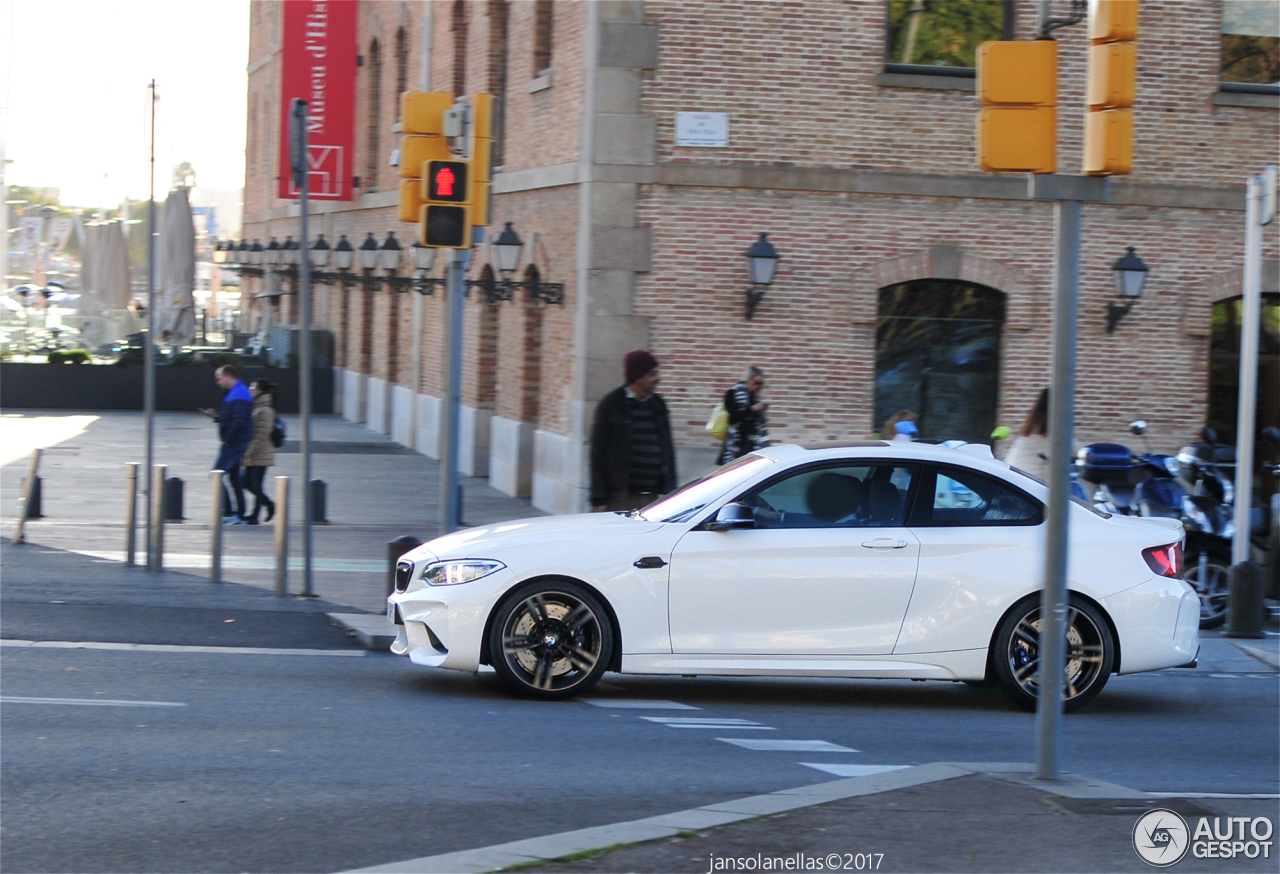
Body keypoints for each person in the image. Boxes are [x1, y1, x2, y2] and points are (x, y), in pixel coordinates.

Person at [589, 349, 677, 513]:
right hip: (620, 497)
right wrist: (598, 497)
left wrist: (672, 492)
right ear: (638, 376)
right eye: (652, 374)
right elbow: (597, 453)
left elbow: (668, 451)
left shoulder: (658, 405)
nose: (657, 378)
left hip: (651, 497)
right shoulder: (612, 404)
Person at [199, 365, 254, 524]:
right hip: (236, 441)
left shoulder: (239, 394)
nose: (218, 382)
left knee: (216, 475)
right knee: (234, 479)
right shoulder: (235, 393)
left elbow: (239, 421)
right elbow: (233, 418)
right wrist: (217, 416)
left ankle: (230, 513)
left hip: (234, 443)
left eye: (219, 379)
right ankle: (239, 515)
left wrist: (227, 438)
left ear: (227, 377)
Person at [241, 379, 278, 525]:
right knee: (247, 483)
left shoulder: (266, 410)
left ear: (260, 390)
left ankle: (255, 515)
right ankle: (269, 505)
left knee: (255, 485)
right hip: (254, 452)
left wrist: (248, 451)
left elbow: (261, 434)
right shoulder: (256, 407)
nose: (250, 390)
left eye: (253, 387)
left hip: (261, 453)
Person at [718, 366, 770, 464]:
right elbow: (733, 418)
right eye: (756, 382)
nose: (758, 386)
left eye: (761, 383)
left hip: (752, 441)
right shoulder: (733, 393)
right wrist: (753, 409)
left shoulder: (754, 396)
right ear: (748, 379)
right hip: (737, 442)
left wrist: (761, 413)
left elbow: (756, 420)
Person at [1004, 388, 1050, 481]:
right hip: (1029, 487)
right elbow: (1075, 450)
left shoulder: (1029, 432)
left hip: (1011, 482)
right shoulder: (1052, 437)